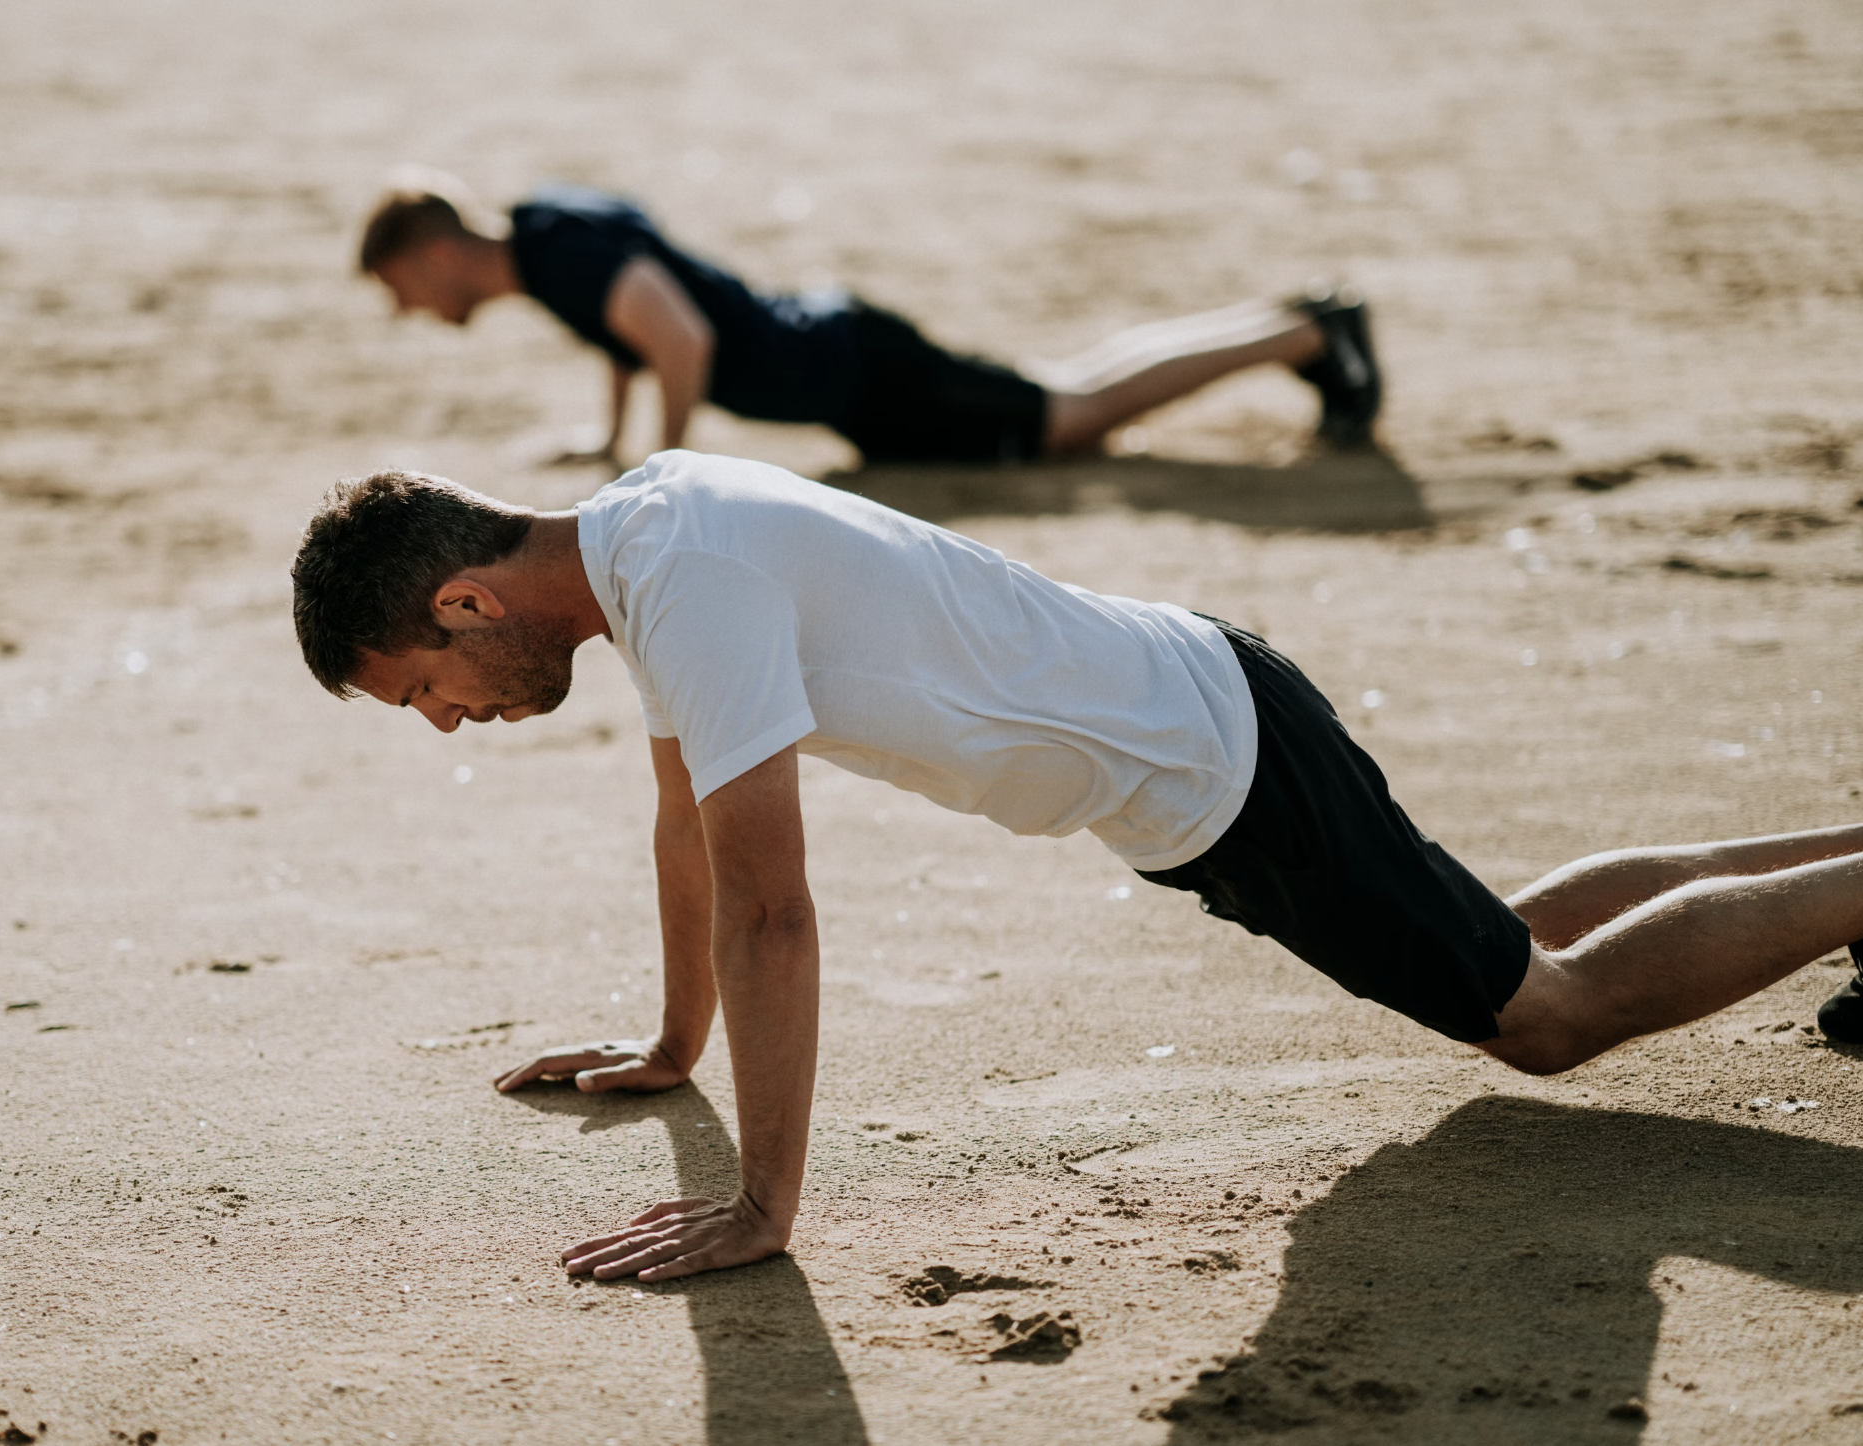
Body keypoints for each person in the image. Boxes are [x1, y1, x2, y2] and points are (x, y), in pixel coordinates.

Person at [289, 450, 1863, 1284]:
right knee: (1509, 938)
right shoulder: (648, 530)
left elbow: (774, 906)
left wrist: (764, 1201)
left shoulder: (680, 578)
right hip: (1210, 720)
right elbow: (687, 824)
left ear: (469, 604)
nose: (446, 723)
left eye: (421, 688)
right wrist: (671, 1042)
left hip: (1218, 767)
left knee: (1545, 1017)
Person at [354, 175, 1382, 466]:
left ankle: (1306, 335)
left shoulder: (559, 256)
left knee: (1070, 417)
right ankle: (1293, 323)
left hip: (852, 370)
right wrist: (611, 438)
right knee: (1064, 389)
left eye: (401, 288)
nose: (410, 310)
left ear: (434, 253)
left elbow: (681, 339)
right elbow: (631, 335)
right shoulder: (544, 238)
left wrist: (663, 469)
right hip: (843, 363)